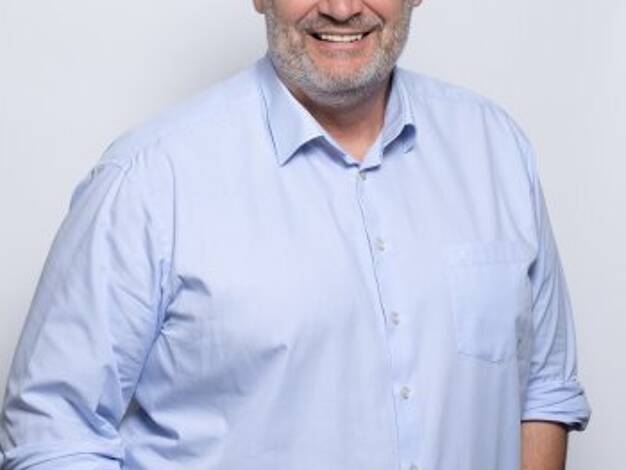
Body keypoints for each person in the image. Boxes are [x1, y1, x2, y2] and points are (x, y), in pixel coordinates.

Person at [0, 1, 591, 469]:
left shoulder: (496, 151)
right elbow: (52, 429)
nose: (341, 8)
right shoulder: (150, 180)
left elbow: (543, 389)